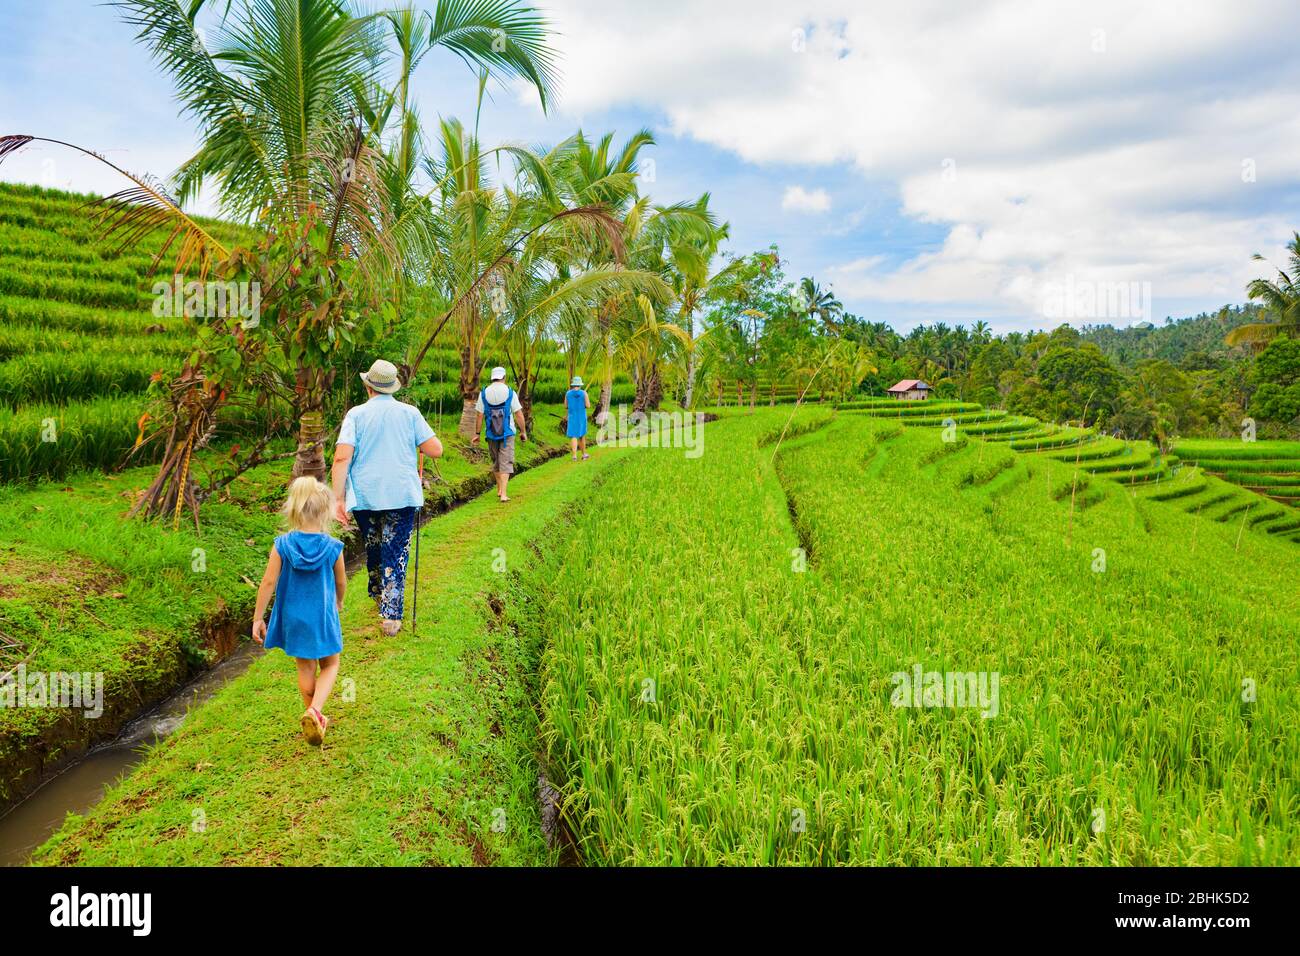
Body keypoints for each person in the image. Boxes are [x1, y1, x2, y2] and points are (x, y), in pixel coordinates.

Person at [331, 359, 442, 637]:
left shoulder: (355, 415)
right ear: (392, 387)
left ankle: (380, 595)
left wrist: (338, 499)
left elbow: (342, 457)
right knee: (396, 550)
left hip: (367, 496)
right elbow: (435, 449)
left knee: (375, 546)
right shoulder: (410, 413)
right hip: (401, 494)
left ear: (368, 386)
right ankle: (391, 615)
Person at [252, 477, 347, 746]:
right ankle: (315, 711)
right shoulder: (332, 547)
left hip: (293, 618)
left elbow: (268, 582)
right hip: (321, 616)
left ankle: (312, 716)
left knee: (305, 667)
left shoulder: (282, 545)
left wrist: (259, 617)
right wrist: (339, 602)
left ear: (293, 510)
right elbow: (341, 581)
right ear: (326, 511)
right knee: (331, 663)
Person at [473, 366, 528, 502]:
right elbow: (518, 414)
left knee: (496, 461)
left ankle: (499, 489)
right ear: (504, 377)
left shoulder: (484, 393)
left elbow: (479, 415)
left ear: (492, 378)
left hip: (491, 433)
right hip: (507, 433)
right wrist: (523, 431)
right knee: (506, 461)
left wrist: (477, 434)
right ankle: (503, 494)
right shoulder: (509, 392)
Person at [565, 375, 591, 461]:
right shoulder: (584, 393)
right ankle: (584, 454)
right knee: (582, 435)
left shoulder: (568, 393)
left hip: (572, 417)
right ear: (580, 384)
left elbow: (565, 406)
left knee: (573, 435)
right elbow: (588, 405)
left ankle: (574, 456)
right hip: (581, 417)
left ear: (573, 384)